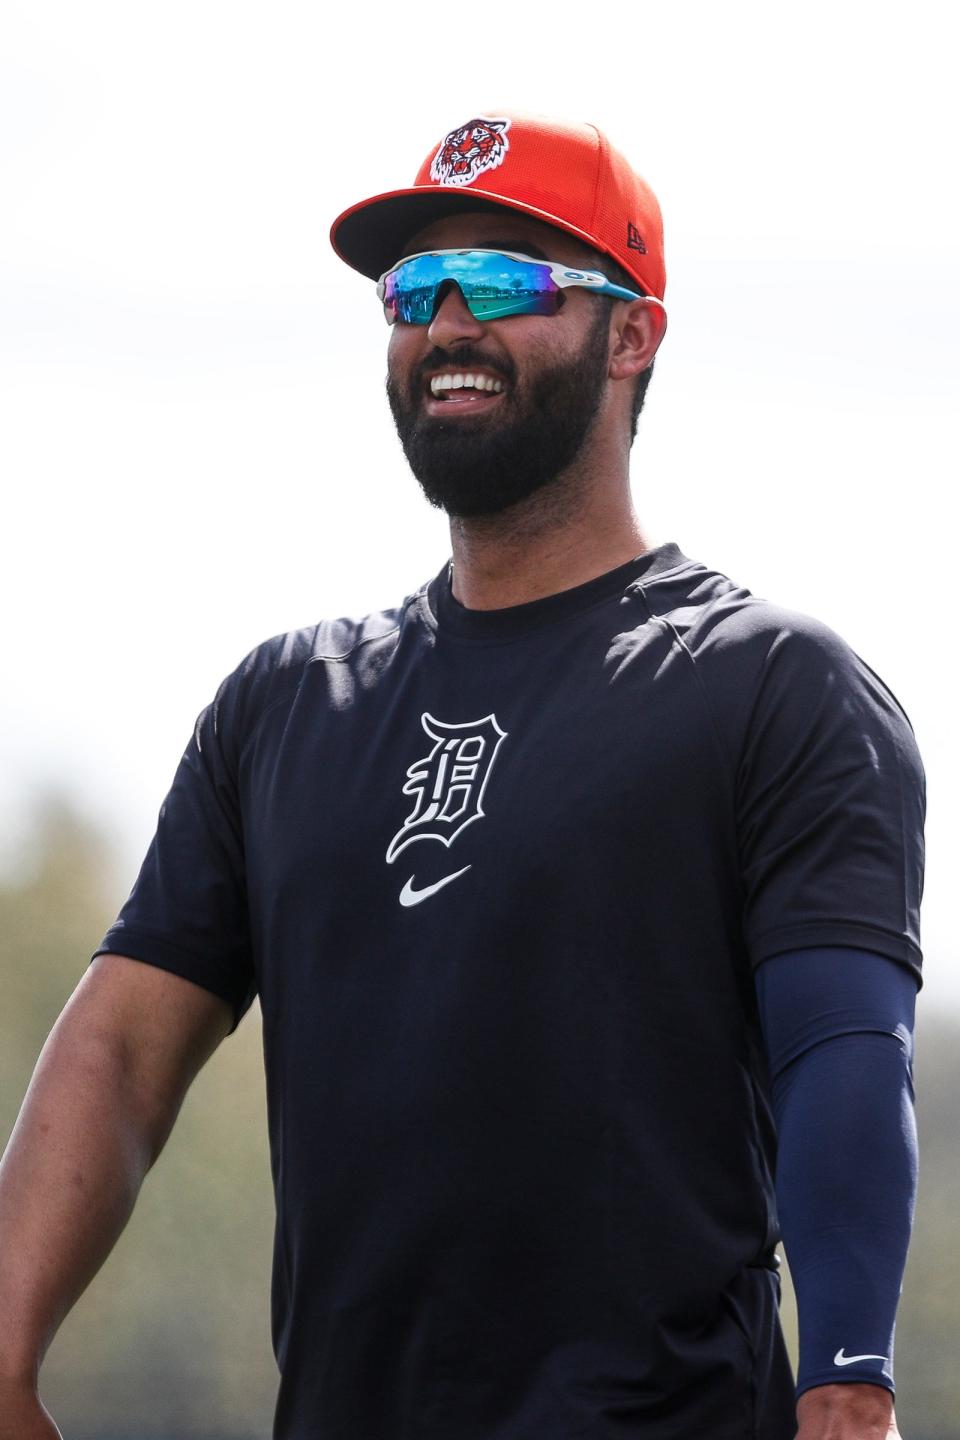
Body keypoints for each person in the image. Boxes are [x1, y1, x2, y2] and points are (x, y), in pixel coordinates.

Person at [0, 113, 924, 1440]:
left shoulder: (766, 685)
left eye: (499, 284)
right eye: (414, 292)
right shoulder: (285, 704)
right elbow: (125, 1044)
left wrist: (847, 1381)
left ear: (632, 334)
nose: (444, 326)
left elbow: (845, 1050)